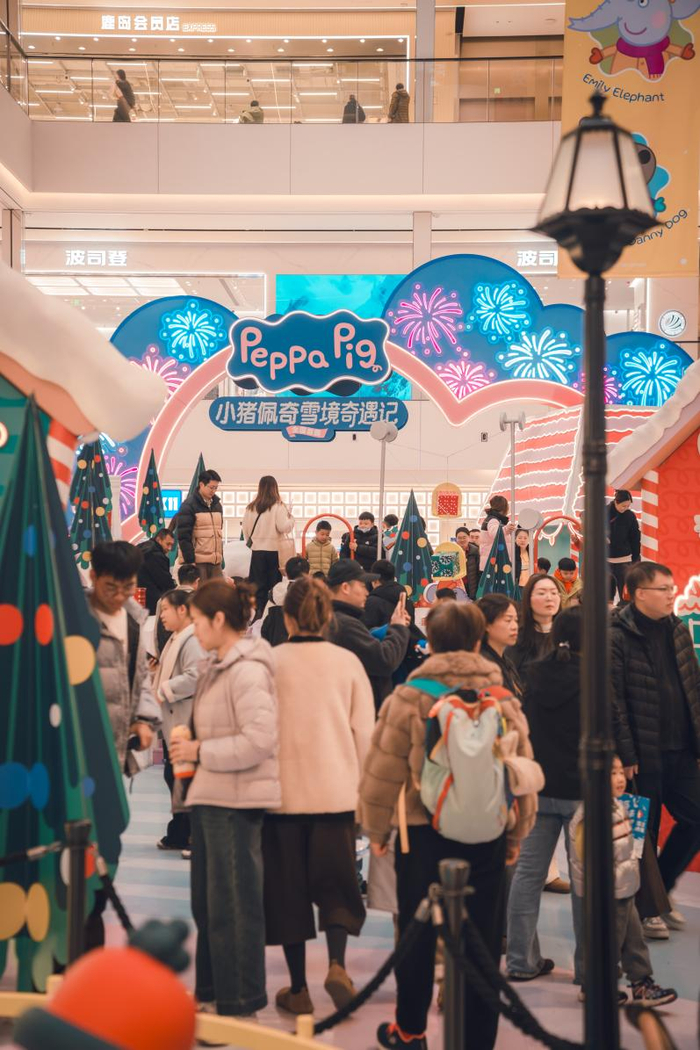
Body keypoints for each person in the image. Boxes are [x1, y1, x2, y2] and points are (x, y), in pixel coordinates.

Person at [359, 602, 538, 1050]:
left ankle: (410, 1030)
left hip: (421, 832)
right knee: (483, 942)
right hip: (488, 832)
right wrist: (517, 832)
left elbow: (382, 772)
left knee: (416, 934)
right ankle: (478, 1040)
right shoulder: (502, 698)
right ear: (478, 642)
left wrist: (377, 832)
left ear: (431, 642)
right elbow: (520, 769)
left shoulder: (409, 696)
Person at [169, 580, 280, 1021]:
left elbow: (259, 741)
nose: (194, 629)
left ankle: (238, 1003)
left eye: (198, 621)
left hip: (236, 802)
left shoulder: (248, 670)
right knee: (209, 905)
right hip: (212, 796)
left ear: (219, 620)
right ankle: (212, 992)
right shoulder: (218, 666)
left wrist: (199, 750)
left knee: (233, 906)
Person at [263, 576, 374, 1015]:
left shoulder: (270, 661)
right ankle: (337, 966)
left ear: (288, 617)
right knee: (339, 886)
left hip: (282, 796)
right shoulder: (347, 663)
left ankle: (297, 989)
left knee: (287, 891)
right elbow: (364, 733)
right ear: (328, 616)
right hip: (337, 793)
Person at [610, 561, 700, 939]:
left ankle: (659, 889)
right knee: (641, 835)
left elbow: (692, 687)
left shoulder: (677, 629)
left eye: (671, 588)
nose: (670, 594)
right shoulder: (616, 635)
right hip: (642, 755)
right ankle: (646, 911)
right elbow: (613, 700)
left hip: (681, 749)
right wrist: (626, 754)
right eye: (663, 589)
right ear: (638, 593)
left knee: (696, 818)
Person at [87, 541, 160, 948]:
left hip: (116, 757)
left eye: (127, 588)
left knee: (109, 841)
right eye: (110, 587)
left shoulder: (134, 620)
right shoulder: (75, 620)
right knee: (79, 850)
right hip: (78, 757)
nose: (119, 596)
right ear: (93, 577)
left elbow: (141, 679)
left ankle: (92, 920)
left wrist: (143, 719)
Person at [506, 609, 584, 984]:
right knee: (586, 882)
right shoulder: (594, 676)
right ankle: (589, 969)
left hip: (539, 786)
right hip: (581, 789)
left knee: (526, 876)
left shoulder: (535, 673)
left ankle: (520, 961)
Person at [568, 757, 678, 1007]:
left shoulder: (617, 806)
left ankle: (641, 983)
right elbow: (587, 859)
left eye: (620, 772)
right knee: (609, 942)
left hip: (624, 889)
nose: (619, 779)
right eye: (612, 773)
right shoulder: (591, 815)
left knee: (634, 939)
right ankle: (594, 987)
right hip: (607, 893)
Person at [153, 589, 205, 854]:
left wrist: (165, 688)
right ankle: (180, 832)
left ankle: (189, 833)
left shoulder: (191, 640)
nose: (161, 615)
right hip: (175, 721)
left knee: (182, 778)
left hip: (185, 720)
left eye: (165, 609)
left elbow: (196, 676)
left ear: (182, 610)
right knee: (176, 776)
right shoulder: (177, 638)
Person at [327, 559, 409, 712]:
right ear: (345, 587)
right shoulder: (345, 625)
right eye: (362, 585)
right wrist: (398, 628)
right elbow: (384, 660)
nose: (367, 592)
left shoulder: (334, 619)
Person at [243, 475, 295, 620]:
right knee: (273, 585)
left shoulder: (251, 507)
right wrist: (291, 518)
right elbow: (283, 527)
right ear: (275, 488)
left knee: (257, 585)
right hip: (274, 552)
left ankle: (257, 614)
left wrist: (254, 543)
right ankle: (270, 616)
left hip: (257, 551)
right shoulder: (278, 506)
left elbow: (246, 530)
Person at [506, 572, 561, 683]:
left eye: (554, 593)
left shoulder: (567, 635)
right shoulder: (516, 637)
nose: (549, 598)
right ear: (528, 599)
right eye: (541, 593)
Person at [177, 469, 224, 582]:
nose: (213, 491)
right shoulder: (189, 505)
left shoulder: (217, 506)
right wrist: (190, 561)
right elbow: (184, 536)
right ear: (202, 484)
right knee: (200, 592)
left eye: (216, 488)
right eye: (211, 487)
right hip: (198, 562)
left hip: (215, 562)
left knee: (219, 592)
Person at [477, 593, 522, 697]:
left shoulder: (506, 661)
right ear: (486, 624)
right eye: (508, 620)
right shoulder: (482, 665)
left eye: (516, 620)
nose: (515, 626)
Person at [260, 556, 310, 647]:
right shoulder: (313, 592)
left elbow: (264, 624)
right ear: (308, 573)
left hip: (277, 645)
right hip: (307, 646)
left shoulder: (275, 592)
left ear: (286, 572)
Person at [155, 563, 201, 657]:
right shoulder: (199, 599)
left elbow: (156, 632)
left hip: (166, 651)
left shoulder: (163, 599)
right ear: (197, 581)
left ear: (179, 579)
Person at [608, 489, 641, 601]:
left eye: (628, 506)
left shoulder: (630, 516)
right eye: (623, 506)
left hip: (624, 560)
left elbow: (635, 538)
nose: (625, 508)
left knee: (626, 594)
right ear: (616, 502)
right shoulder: (603, 513)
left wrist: (635, 558)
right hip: (606, 561)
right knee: (606, 594)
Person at [137, 527, 175, 614]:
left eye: (171, 545)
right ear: (159, 540)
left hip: (138, 595)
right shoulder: (156, 555)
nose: (169, 548)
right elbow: (165, 581)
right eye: (168, 544)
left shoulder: (142, 547)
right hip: (152, 600)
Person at [479, 495, 515, 571]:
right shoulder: (493, 520)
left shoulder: (492, 519)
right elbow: (495, 534)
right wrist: (506, 529)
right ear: (504, 507)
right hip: (494, 564)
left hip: (494, 562)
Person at [455, 526, 480, 599]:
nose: (462, 540)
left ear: (468, 538)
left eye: (464, 537)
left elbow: (479, 571)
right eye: (459, 538)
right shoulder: (452, 551)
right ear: (456, 539)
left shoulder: (475, 551)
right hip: (457, 586)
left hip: (472, 586)